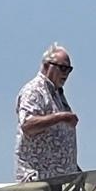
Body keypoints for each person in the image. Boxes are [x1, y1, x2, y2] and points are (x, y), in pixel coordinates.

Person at [15, 43, 80, 182]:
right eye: (62, 68)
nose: (66, 74)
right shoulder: (34, 91)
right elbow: (27, 125)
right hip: (39, 182)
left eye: (69, 70)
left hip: (60, 182)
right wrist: (60, 117)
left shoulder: (57, 95)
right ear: (46, 65)